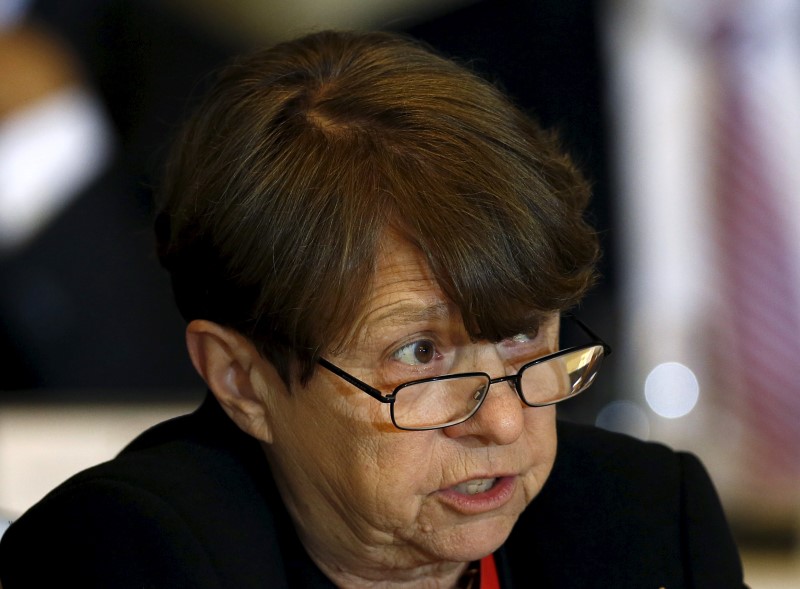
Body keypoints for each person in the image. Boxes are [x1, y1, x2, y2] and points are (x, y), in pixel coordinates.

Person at [0, 30, 745, 588]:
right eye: (421, 353)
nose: (504, 422)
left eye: (521, 334)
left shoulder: (649, 520)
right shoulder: (127, 553)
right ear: (242, 381)